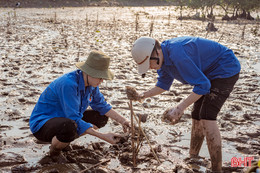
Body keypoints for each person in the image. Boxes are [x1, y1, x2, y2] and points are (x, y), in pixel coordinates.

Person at [130, 36, 241, 172]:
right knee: (196, 115)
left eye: (149, 64)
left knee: (207, 116)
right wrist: (142, 95)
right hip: (206, 74)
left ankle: (217, 169)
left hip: (225, 68)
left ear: (157, 52)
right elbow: (163, 85)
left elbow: (203, 85)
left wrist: (179, 108)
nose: (150, 68)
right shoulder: (163, 62)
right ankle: (193, 157)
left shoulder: (178, 55)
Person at [29, 50, 130, 162]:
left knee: (100, 117)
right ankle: (55, 151)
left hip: (66, 119)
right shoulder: (69, 84)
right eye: (100, 77)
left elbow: (102, 105)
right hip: (42, 124)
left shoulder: (92, 84)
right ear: (88, 72)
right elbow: (73, 118)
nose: (102, 81)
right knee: (69, 126)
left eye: (103, 78)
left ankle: (64, 142)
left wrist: (124, 121)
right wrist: (103, 136)